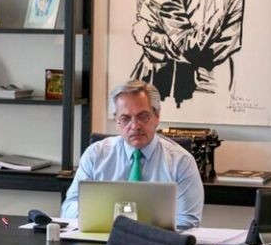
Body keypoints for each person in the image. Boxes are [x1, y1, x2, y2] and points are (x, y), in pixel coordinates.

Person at [60, 79, 204, 228]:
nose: (135, 126)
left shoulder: (182, 161)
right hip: (105, 238)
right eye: (125, 119)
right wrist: (110, 217)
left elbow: (188, 222)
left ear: (157, 117)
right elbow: (68, 208)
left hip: (158, 241)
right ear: (117, 122)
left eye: (143, 116)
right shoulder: (95, 155)